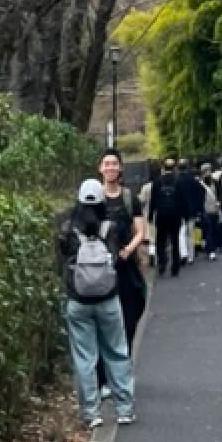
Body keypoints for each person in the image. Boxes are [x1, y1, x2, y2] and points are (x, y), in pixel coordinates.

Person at [59, 178, 137, 429]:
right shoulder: (110, 228)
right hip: (108, 299)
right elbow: (115, 259)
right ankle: (124, 409)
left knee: (85, 357)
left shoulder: (67, 229)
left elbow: (60, 262)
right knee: (116, 351)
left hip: (78, 302)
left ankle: (91, 414)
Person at [94, 150, 148, 391]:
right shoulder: (94, 198)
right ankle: (104, 379)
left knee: (131, 314)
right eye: (106, 163)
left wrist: (128, 250)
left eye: (114, 163)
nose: (110, 167)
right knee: (103, 322)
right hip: (100, 271)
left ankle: (122, 369)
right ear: (100, 169)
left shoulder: (129, 198)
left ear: (121, 168)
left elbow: (141, 231)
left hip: (127, 269)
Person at [152, 157, 183, 276]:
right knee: (175, 241)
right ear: (174, 168)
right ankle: (175, 266)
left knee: (161, 240)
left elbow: (153, 200)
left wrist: (151, 215)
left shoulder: (157, 181)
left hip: (161, 215)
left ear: (164, 168)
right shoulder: (178, 181)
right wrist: (183, 214)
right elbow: (182, 200)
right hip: (175, 216)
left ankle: (162, 262)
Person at [198, 161, 222, 258]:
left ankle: (211, 246)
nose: (207, 173)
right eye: (205, 171)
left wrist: (219, 202)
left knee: (213, 229)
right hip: (205, 210)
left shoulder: (215, 182)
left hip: (215, 209)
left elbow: (220, 193)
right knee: (209, 230)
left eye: (208, 170)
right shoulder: (200, 184)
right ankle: (211, 250)